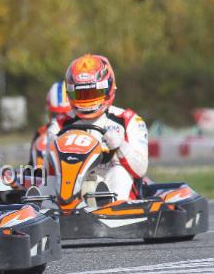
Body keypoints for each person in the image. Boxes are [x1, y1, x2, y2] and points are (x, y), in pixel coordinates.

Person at [46, 53, 148, 201]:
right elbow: (49, 171)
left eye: (94, 92)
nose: (87, 100)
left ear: (108, 88)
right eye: (81, 94)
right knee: (46, 183)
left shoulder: (129, 120)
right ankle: (45, 215)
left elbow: (140, 170)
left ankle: (112, 209)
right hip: (71, 189)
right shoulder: (61, 123)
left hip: (117, 194)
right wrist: (52, 146)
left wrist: (121, 146)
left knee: (119, 173)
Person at [29, 81, 71, 169]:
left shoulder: (86, 129)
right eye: (56, 114)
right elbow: (30, 167)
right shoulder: (41, 133)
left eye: (64, 114)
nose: (59, 118)